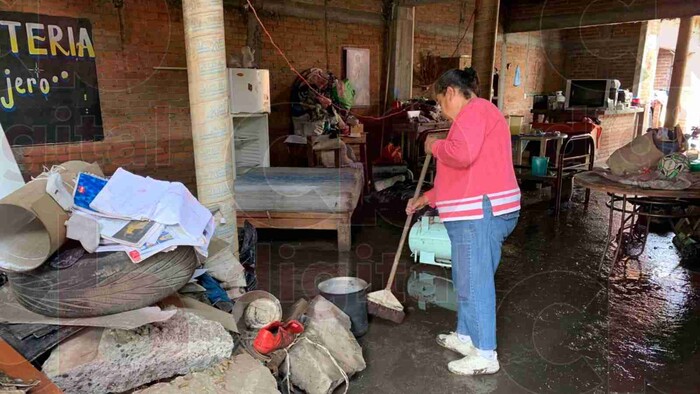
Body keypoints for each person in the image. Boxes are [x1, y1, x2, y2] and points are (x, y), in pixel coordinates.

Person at [406, 67, 520, 375]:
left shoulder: (474, 111)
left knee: (475, 282)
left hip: (481, 214)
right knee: (466, 279)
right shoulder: (474, 118)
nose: (442, 110)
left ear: (452, 92)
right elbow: (458, 177)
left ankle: (485, 354)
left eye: (441, 101)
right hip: (476, 212)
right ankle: (466, 336)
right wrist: (425, 199)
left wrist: (434, 145)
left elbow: (461, 155)